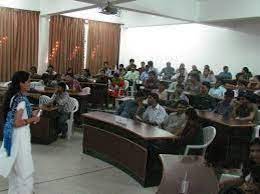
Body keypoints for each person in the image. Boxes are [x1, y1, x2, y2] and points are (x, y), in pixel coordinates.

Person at [0, 71, 40, 194]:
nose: (30, 83)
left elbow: (17, 116)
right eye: (28, 81)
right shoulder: (21, 100)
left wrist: (30, 114)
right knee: (24, 171)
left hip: (13, 137)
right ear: (21, 83)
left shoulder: (14, 96)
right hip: (20, 138)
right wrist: (32, 119)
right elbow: (17, 123)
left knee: (16, 172)